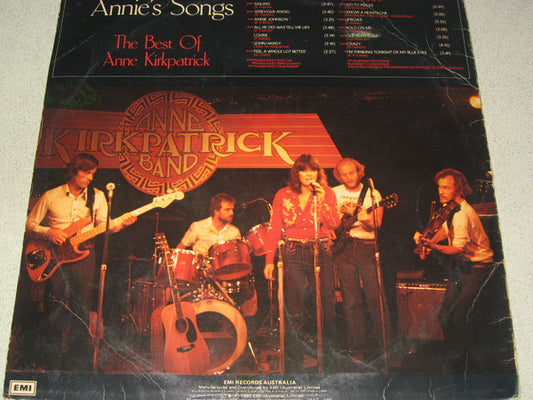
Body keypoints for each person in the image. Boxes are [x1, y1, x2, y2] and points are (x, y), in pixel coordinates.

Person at [25, 153, 136, 371]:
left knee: (82, 308)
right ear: (73, 171)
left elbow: (105, 226)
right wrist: (49, 232)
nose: (90, 178)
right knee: (54, 307)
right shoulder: (51, 196)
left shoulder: (97, 196)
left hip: (84, 254)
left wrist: (122, 223)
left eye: (93, 174)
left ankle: (78, 364)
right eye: (86, 173)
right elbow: (30, 224)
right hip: (54, 257)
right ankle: (52, 362)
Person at [263, 154, 340, 373]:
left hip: (320, 250)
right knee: (294, 306)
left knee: (326, 306)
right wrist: (269, 260)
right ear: (297, 174)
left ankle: (329, 362)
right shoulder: (283, 194)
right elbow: (274, 226)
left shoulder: (327, 193)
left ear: (318, 173)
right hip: (292, 251)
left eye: (312, 170)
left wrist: (322, 199)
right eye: (303, 170)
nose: (308, 174)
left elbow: (334, 223)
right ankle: (295, 363)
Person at [413, 168, 494, 373]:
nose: (441, 191)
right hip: (461, 267)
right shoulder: (450, 208)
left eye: (446, 188)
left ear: (458, 189)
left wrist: (433, 246)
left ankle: (463, 362)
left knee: (458, 318)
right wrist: (427, 240)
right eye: (440, 187)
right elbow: (445, 229)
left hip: (476, 267)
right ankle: (455, 356)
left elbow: (457, 248)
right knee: (444, 316)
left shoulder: (462, 214)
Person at [331, 158, 391, 363]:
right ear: (338, 175)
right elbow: (327, 223)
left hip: (366, 247)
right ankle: (358, 349)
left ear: (359, 172)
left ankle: (387, 349)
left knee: (376, 299)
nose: (348, 177)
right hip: (343, 249)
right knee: (351, 302)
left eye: (351, 172)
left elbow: (377, 224)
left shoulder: (373, 194)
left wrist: (365, 219)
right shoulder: (333, 193)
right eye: (343, 173)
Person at [177, 193, 257, 317]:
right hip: (199, 275)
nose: (231, 213)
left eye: (232, 209)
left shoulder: (234, 231)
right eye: (227, 209)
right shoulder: (198, 226)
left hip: (223, 276)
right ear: (216, 211)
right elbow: (180, 248)